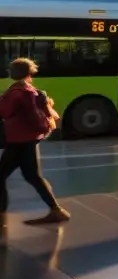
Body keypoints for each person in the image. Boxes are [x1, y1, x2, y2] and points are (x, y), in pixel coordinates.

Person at [0, 58, 70, 226]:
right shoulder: (29, 89)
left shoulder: (17, 92)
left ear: (12, 72)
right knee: (32, 176)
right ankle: (56, 210)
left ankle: (1, 213)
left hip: (18, 140)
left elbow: (4, 111)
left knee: (1, 176)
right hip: (29, 139)